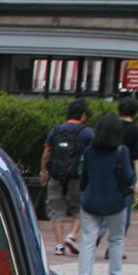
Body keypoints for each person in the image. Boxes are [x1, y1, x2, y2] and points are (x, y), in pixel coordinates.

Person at [73, 114, 135, 275]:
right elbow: (129, 177)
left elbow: (83, 179)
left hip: (91, 201)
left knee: (88, 241)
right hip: (115, 202)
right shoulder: (121, 151)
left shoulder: (89, 151)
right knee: (116, 239)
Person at [42, 100, 92, 255]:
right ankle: (72, 235)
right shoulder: (87, 133)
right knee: (79, 208)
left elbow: (46, 154)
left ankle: (58, 245)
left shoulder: (56, 131)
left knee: (56, 209)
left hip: (56, 175)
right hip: (77, 176)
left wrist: (44, 171)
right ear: (83, 115)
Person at [116, 94, 138, 251]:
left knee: (102, 216)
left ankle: (94, 242)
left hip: (110, 173)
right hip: (127, 177)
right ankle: (116, 246)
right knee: (125, 216)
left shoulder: (112, 127)